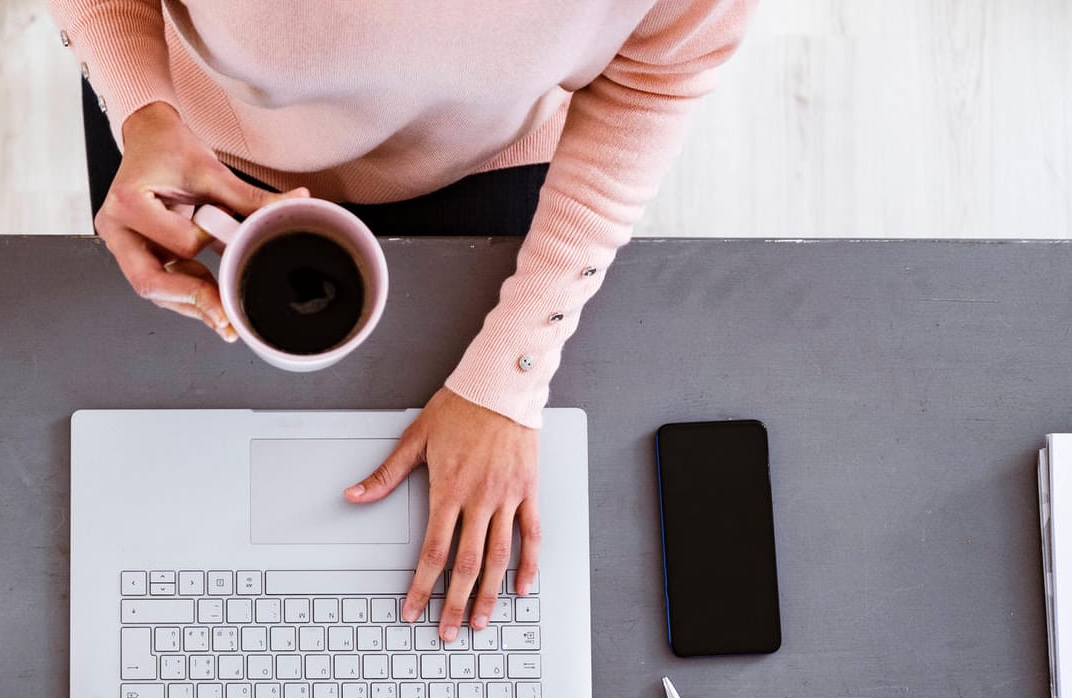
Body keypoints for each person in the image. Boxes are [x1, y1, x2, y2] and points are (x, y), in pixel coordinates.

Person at [51, 0, 754, 638]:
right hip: (194, 147)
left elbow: (653, 77)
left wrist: (511, 375)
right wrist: (141, 112)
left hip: (484, 163)